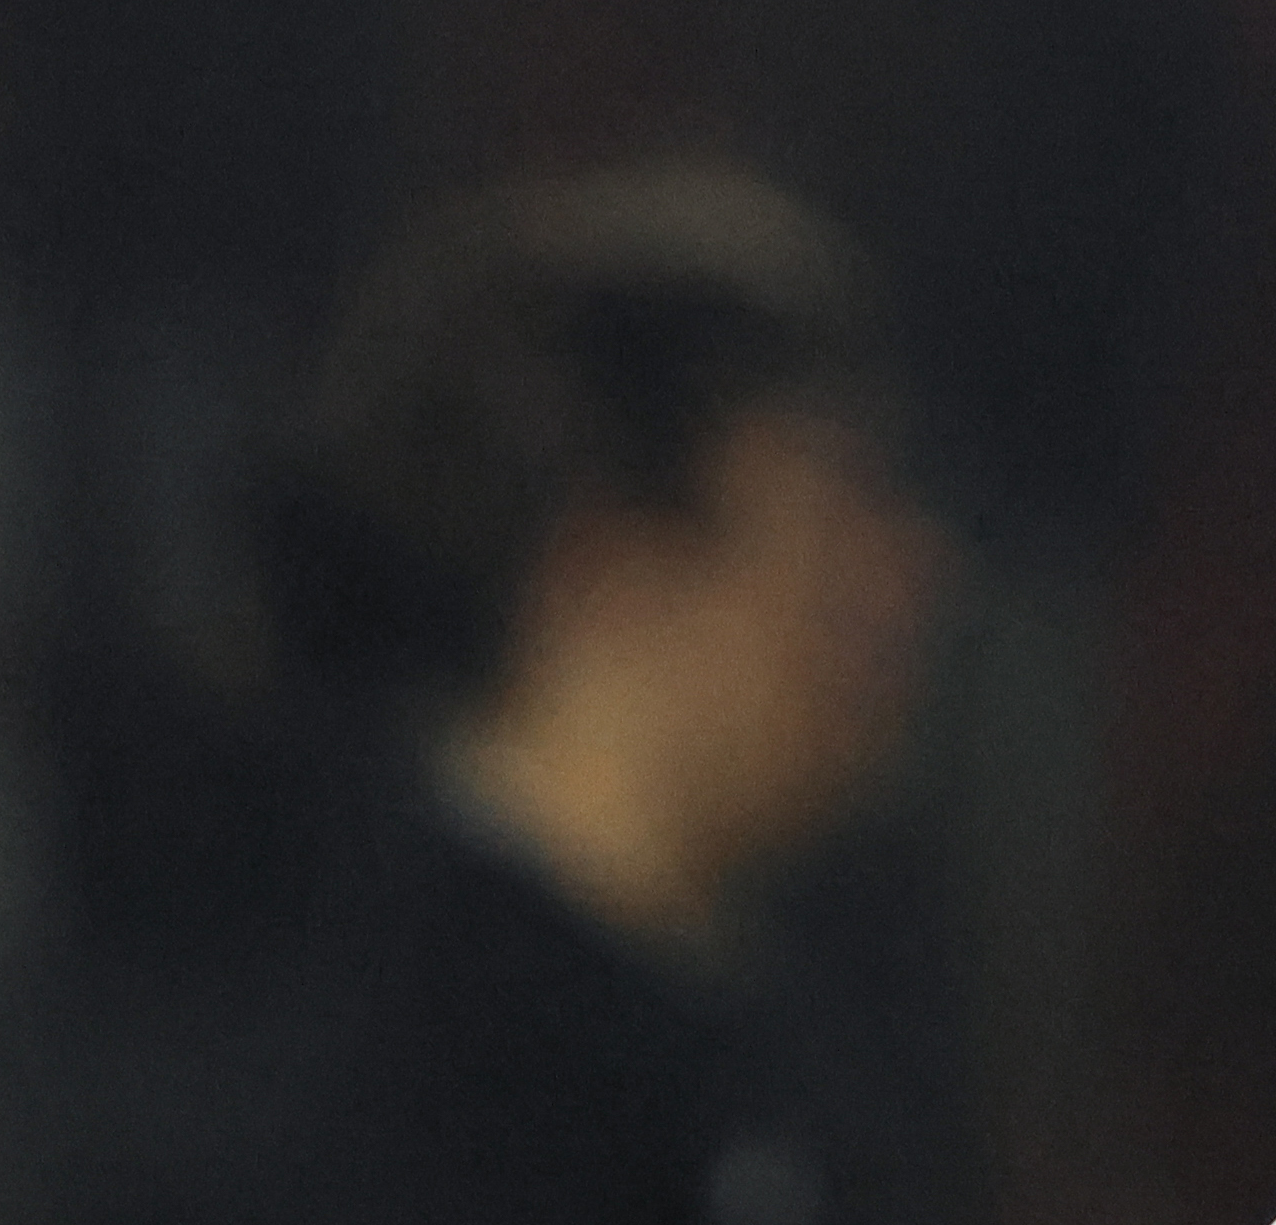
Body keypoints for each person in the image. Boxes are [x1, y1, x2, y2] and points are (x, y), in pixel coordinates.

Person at [252, 164, 950, 1225]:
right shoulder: (441, 1086)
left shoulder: (745, 1021)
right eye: (838, 514)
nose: (910, 573)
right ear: (606, 574)